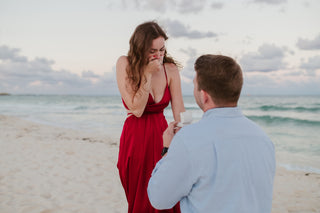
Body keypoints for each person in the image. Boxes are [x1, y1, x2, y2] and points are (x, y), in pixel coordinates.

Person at [148, 54, 276, 213]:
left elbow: (159, 198)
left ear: (204, 95)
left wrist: (167, 149)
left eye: (195, 85)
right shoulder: (263, 139)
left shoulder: (189, 140)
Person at [116, 21, 184, 213]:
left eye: (162, 49)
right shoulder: (125, 64)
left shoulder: (170, 69)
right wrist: (146, 74)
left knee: (165, 193)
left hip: (161, 137)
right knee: (138, 197)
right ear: (140, 48)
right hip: (135, 138)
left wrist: (188, 138)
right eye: (152, 50)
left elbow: (179, 108)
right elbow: (136, 109)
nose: (158, 55)